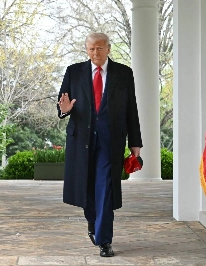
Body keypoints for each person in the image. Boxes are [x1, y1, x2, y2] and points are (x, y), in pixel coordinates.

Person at [57, 32, 143, 257]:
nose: (96, 52)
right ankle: (93, 222)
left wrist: (135, 143)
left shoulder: (124, 74)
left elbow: (131, 110)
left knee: (105, 186)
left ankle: (105, 240)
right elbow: (62, 103)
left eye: (100, 48)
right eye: (91, 49)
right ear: (86, 50)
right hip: (81, 141)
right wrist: (64, 110)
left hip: (110, 140)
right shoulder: (73, 71)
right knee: (87, 188)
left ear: (108, 49)